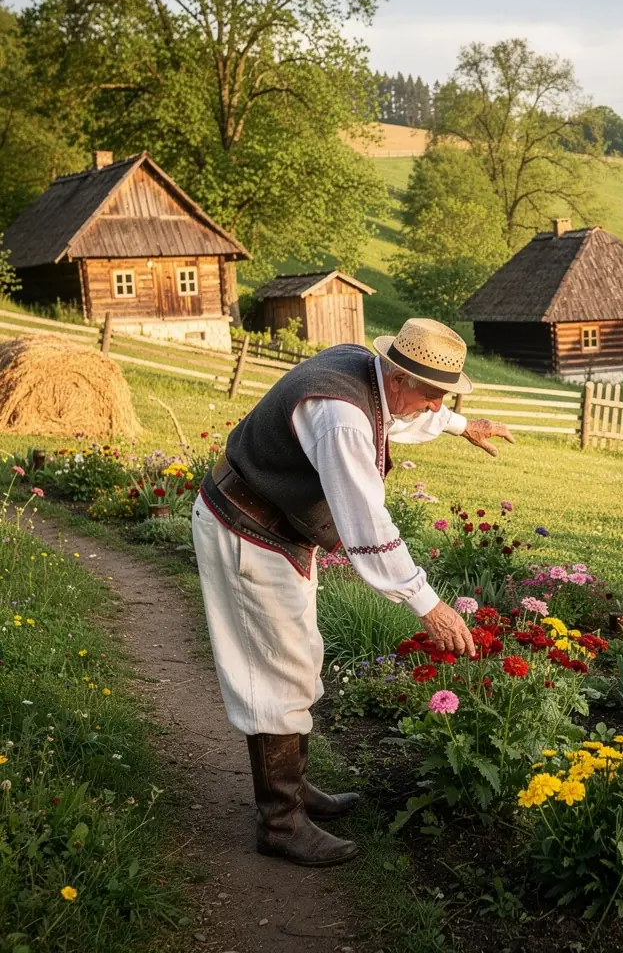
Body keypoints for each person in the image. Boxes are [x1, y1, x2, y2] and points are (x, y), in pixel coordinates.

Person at [192, 319, 514, 867]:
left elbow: (396, 420)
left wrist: (462, 425)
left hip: (276, 529)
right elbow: (367, 524)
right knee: (275, 671)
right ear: (398, 375)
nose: (438, 405)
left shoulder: (363, 369)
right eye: (435, 395)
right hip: (249, 530)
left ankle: (296, 788)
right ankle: (281, 821)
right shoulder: (341, 418)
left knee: (300, 659)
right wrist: (427, 604)